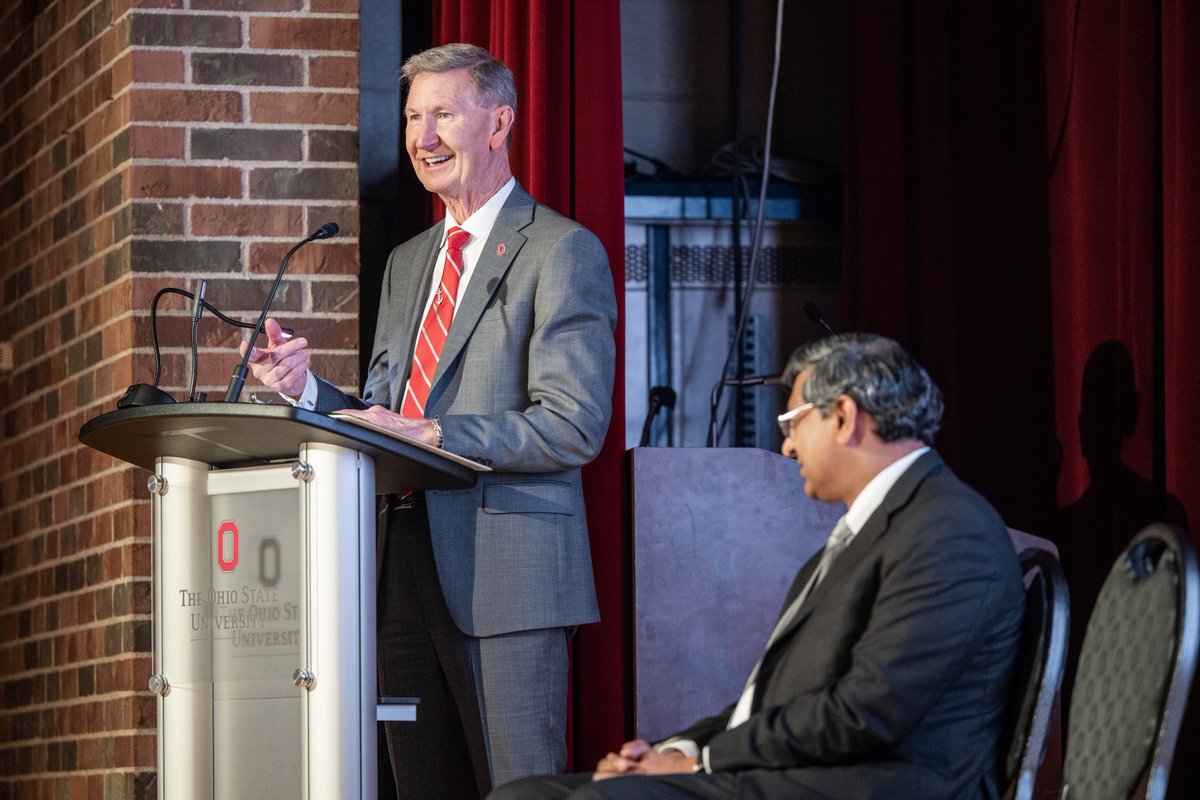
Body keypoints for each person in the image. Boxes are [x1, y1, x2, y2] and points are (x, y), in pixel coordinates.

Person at [240, 43, 617, 799]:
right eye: (414, 117)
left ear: (499, 122)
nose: (423, 137)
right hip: (395, 564)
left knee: (520, 789)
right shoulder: (409, 263)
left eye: (444, 113)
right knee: (421, 785)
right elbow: (390, 409)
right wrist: (307, 391)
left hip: (506, 575)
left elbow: (573, 424)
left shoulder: (560, 250)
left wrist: (441, 435)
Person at [490, 333, 1024, 800]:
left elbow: (868, 712)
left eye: (792, 422)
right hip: (805, 768)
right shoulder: (875, 527)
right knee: (525, 794)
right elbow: (772, 697)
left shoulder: (948, 531)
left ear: (843, 417)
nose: (787, 445)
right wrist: (674, 747)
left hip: (875, 782)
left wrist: (699, 762)